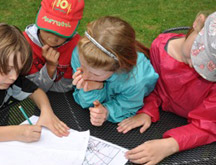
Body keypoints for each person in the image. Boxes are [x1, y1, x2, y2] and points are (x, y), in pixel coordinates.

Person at [118, 12, 216, 165]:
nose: (195, 66)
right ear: (198, 22)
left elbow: (208, 124)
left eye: (209, 67)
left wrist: (169, 146)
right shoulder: (160, 47)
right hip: (166, 119)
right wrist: (147, 110)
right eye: (198, 53)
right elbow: (153, 87)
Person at [71, 16, 158, 126]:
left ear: (118, 68)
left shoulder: (136, 80)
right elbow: (84, 102)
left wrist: (107, 112)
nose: (85, 75)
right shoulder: (79, 53)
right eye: (82, 66)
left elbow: (128, 105)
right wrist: (94, 89)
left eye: (95, 74)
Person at [23, 0, 85, 92]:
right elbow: (31, 89)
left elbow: (65, 87)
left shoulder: (77, 47)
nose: (52, 39)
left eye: (62, 32)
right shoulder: (24, 44)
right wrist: (50, 67)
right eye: (48, 29)